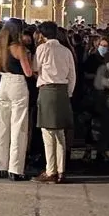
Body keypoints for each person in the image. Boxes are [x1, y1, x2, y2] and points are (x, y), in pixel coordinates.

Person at [32, 22, 77, 183]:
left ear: (42, 34)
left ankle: (51, 170)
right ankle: (61, 170)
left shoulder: (42, 49)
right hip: (63, 91)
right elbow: (72, 75)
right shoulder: (66, 51)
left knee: (47, 132)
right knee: (60, 134)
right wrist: (69, 93)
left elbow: (34, 67)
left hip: (47, 90)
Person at [0, 19, 34, 181]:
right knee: (19, 127)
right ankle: (15, 169)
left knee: (1, 126)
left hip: (3, 83)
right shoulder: (18, 48)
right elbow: (28, 72)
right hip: (17, 84)